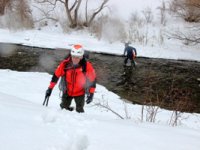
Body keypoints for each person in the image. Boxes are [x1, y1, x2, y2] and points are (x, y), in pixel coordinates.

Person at [45, 44, 96, 113]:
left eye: (77, 57)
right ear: (71, 55)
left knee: (80, 111)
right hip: (67, 91)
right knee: (63, 108)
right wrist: (50, 89)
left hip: (80, 92)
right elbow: (56, 76)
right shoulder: (65, 64)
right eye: (73, 57)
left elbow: (92, 80)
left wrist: (91, 94)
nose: (75, 59)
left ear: (81, 57)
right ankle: (69, 109)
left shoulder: (86, 66)